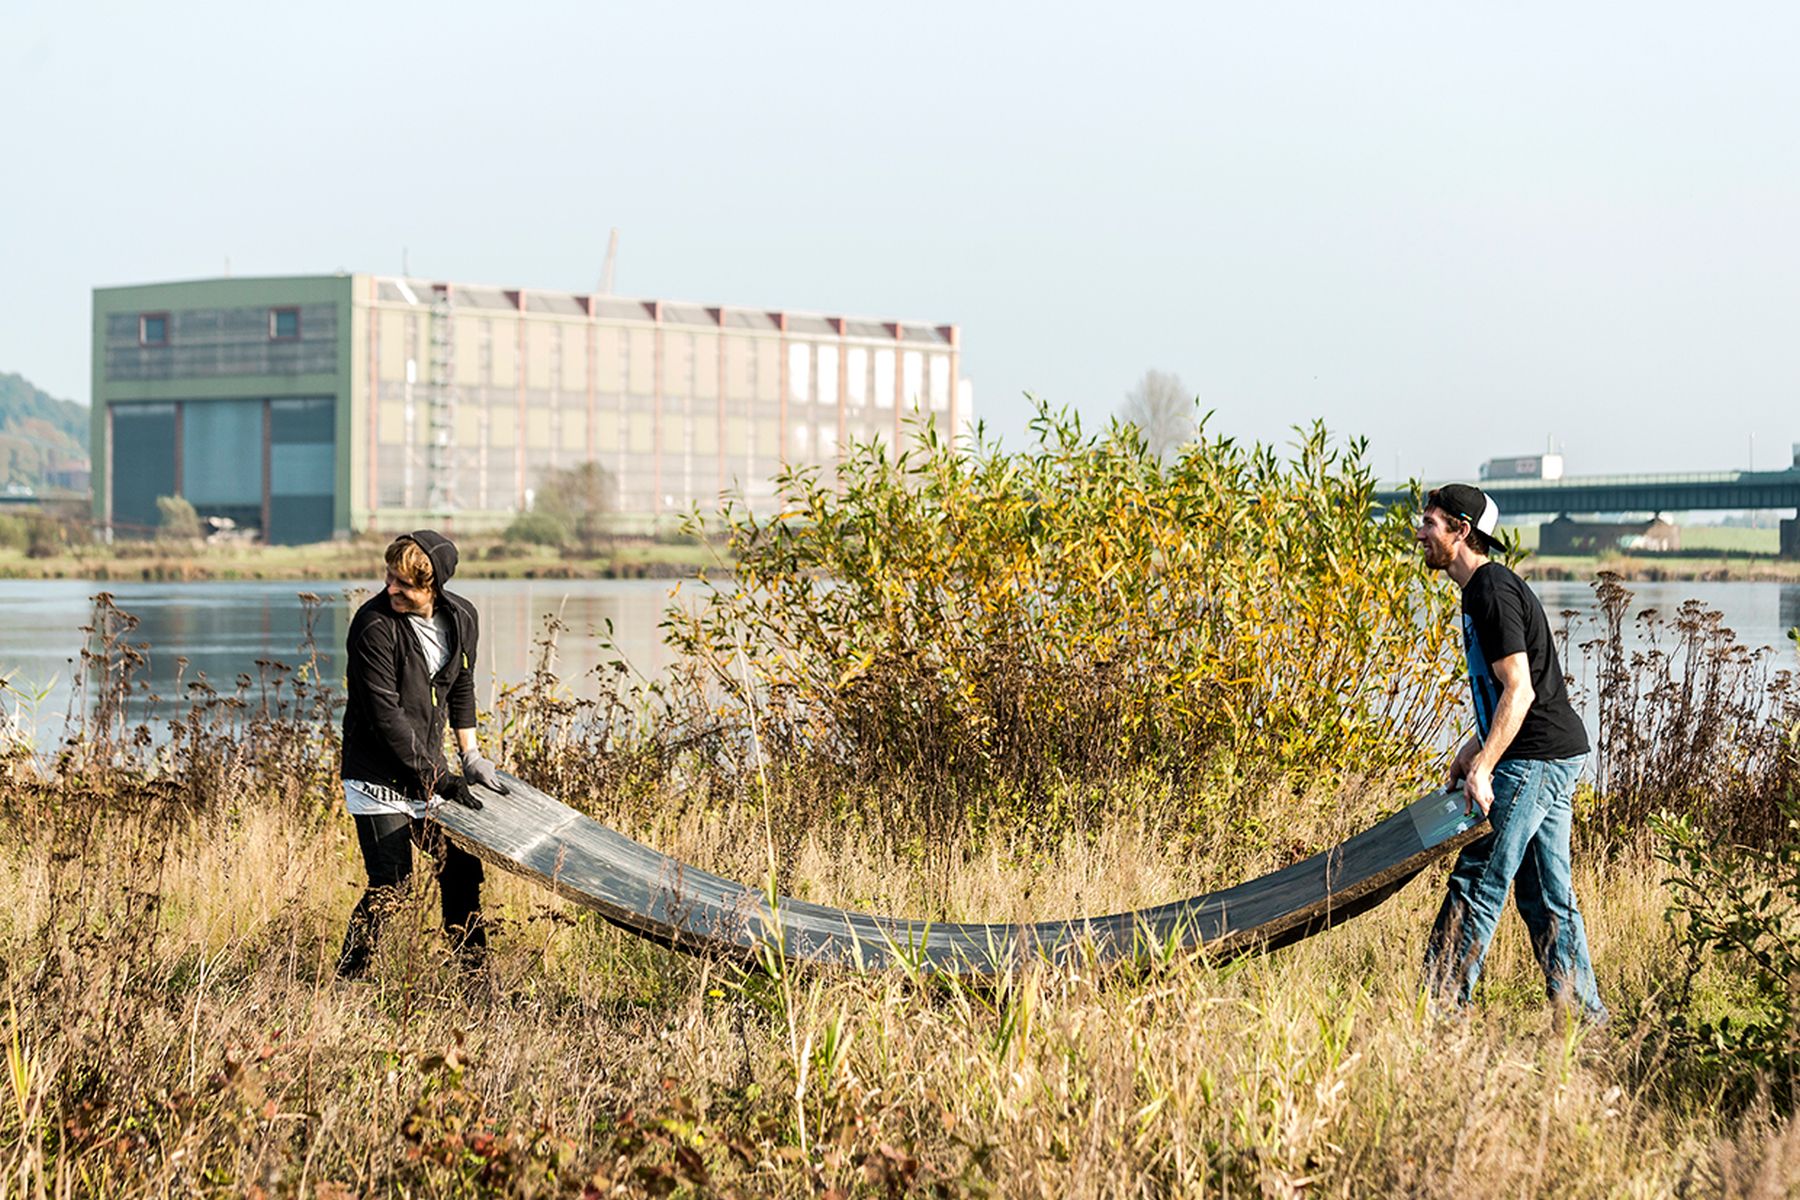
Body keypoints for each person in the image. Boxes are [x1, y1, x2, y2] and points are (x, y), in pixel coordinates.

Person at [1414, 484, 1606, 1023]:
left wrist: (1486, 767)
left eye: (1430, 522)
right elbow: (1508, 695)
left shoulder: (1490, 591)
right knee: (1546, 894)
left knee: (1478, 877)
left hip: (1537, 756)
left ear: (1461, 531)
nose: (1420, 531)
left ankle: (1440, 1015)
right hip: (1552, 749)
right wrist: (1470, 748)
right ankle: (1584, 1019)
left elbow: (1520, 690)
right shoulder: (1479, 591)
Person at [336, 530, 510, 979]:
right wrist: (441, 777)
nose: (390, 589)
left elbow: (462, 684)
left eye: (403, 584)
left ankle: (473, 978)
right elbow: (385, 715)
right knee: (392, 885)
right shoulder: (373, 625)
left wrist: (470, 755)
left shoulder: (462, 618)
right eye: (388, 578)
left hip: (428, 771)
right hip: (375, 774)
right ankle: (347, 977)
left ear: (433, 586)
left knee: (461, 870)